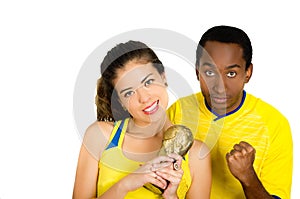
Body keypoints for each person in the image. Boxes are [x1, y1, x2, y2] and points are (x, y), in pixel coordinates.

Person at [72, 40, 211, 199]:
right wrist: (126, 184)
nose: (144, 98)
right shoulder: (99, 135)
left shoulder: (197, 153)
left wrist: (171, 196)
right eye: (129, 93)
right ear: (121, 102)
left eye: (148, 82)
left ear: (163, 77)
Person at [167, 25, 293, 199]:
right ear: (197, 72)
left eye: (231, 73)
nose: (220, 87)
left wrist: (248, 177)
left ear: (248, 73)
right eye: (209, 72)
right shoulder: (178, 111)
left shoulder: (274, 124)